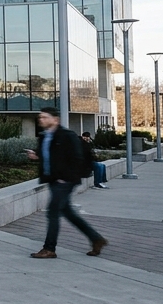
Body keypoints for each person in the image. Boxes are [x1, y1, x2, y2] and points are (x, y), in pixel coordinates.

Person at [25, 107, 106, 258]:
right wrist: (36, 156)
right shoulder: (44, 136)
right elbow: (49, 156)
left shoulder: (67, 136)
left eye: (44, 117)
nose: (41, 120)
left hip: (65, 181)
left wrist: (66, 178)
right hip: (52, 179)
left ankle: (49, 249)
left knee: (53, 212)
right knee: (68, 213)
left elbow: (77, 158)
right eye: (40, 117)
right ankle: (96, 239)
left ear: (55, 119)